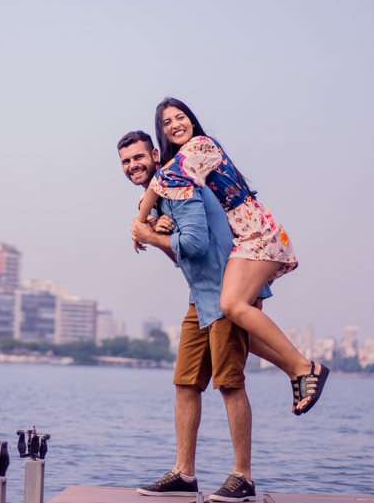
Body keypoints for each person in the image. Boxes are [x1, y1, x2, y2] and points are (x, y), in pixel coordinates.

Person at [135, 98, 328, 416]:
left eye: (180, 117)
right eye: (166, 123)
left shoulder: (200, 145)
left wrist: (140, 225)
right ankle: (297, 370)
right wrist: (158, 221)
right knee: (240, 325)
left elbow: (159, 183)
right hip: (242, 240)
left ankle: (305, 366)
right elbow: (173, 197)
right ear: (162, 133)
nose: (175, 125)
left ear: (191, 121)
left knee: (232, 306)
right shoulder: (179, 170)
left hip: (258, 233)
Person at [119, 130, 280, 503]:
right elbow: (180, 256)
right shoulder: (159, 198)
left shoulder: (179, 183)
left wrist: (149, 233)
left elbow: (194, 244)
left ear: (155, 155)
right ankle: (183, 474)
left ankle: (243, 478)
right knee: (186, 383)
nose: (132, 166)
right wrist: (156, 229)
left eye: (138, 157)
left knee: (230, 383)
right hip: (200, 297)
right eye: (125, 161)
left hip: (226, 292)